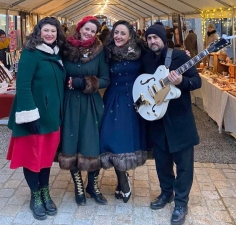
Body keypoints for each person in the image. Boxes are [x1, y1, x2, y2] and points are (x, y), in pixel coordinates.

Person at [6, 17, 66, 220]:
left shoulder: (56, 53)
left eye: (53, 31)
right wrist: (29, 116)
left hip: (52, 118)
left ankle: (45, 191)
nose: (50, 34)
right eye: (46, 30)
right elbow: (22, 86)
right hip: (34, 117)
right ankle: (36, 196)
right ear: (39, 31)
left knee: (46, 158)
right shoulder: (31, 54)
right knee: (32, 158)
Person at [142, 23, 201, 225]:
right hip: (157, 120)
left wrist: (180, 82)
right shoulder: (146, 58)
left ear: (163, 39)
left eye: (155, 38)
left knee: (184, 165)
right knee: (162, 162)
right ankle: (166, 193)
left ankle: (181, 202)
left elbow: (196, 81)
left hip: (179, 120)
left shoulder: (179, 57)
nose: (152, 42)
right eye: (149, 38)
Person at [58, 15, 110, 206]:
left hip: (91, 104)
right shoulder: (65, 49)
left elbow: (106, 78)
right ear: (79, 28)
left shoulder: (99, 51)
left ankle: (93, 185)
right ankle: (78, 186)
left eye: (93, 31)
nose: (88, 33)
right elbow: (58, 73)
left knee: (92, 144)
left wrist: (87, 82)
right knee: (72, 143)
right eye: (86, 29)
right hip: (70, 103)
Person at [100, 20, 147, 203]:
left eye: (122, 33)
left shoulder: (140, 51)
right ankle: (123, 180)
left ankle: (122, 181)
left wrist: (179, 55)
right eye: (116, 33)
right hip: (113, 100)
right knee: (112, 141)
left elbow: (155, 65)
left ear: (130, 36)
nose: (118, 36)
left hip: (135, 101)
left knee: (128, 141)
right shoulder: (107, 52)